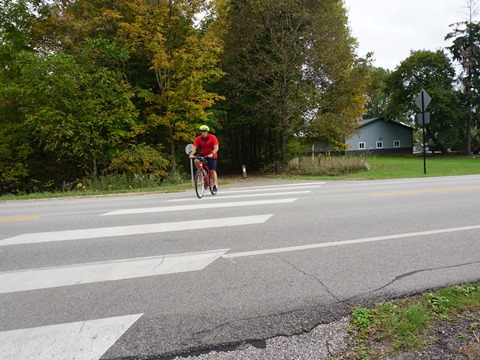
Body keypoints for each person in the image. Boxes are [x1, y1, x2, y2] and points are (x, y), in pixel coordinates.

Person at [189, 125, 219, 193]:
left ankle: (214, 185)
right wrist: (191, 154)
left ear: (207, 132)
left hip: (212, 155)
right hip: (203, 154)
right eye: (201, 132)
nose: (203, 133)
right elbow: (194, 148)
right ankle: (201, 173)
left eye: (204, 131)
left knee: (212, 171)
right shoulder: (198, 138)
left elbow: (216, 148)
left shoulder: (213, 137)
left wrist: (212, 154)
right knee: (196, 160)